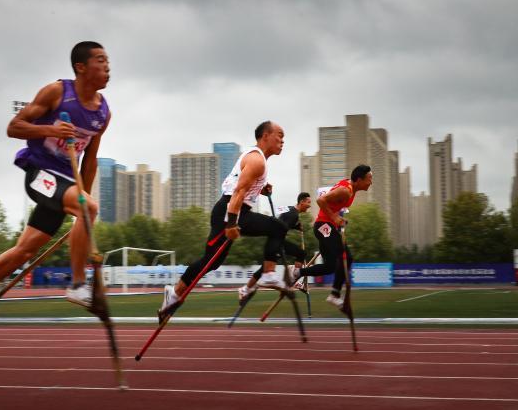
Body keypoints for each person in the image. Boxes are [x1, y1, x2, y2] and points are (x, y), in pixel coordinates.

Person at [0, 41, 111, 316]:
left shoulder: (103, 112)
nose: (108, 66)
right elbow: (13, 127)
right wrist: (49, 130)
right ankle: (77, 284)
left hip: (65, 184)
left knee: (24, 251)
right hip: (40, 174)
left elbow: (91, 159)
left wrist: (81, 204)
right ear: (81, 67)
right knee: (88, 207)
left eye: (107, 60)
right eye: (100, 60)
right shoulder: (57, 92)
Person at [158, 121, 291, 320]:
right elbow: (238, 191)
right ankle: (269, 274)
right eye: (279, 135)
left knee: (212, 262)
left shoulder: (256, 158)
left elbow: (240, 186)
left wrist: (260, 188)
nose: (282, 141)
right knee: (277, 228)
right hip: (231, 212)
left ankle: (174, 293)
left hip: (233, 210)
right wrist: (231, 223)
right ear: (265, 136)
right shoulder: (257, 160)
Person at [291, 165, 373, 310]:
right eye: (369, 179)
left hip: (327, 226)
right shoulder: (346, 191)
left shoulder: (349, 188)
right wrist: (334, 217)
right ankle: (334, 294)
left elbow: (333, 202)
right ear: (359, 179)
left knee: (330, 267)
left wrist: (338, 219)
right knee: (347, 256)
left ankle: (299, 272)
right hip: (323, 226)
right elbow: (320, 200)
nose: (371, 182)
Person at [237, 191, 312, 303]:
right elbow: (282, 226)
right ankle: (293, 277)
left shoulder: (290, 209)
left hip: (277, 239)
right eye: (308, 202)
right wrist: (294, 225)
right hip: (277, 240)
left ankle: (245, 289)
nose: (309, 205)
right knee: (301, 254)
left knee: (265, 267)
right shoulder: (294, 214)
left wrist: (296, 226)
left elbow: (281, 220)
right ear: (302, 202)